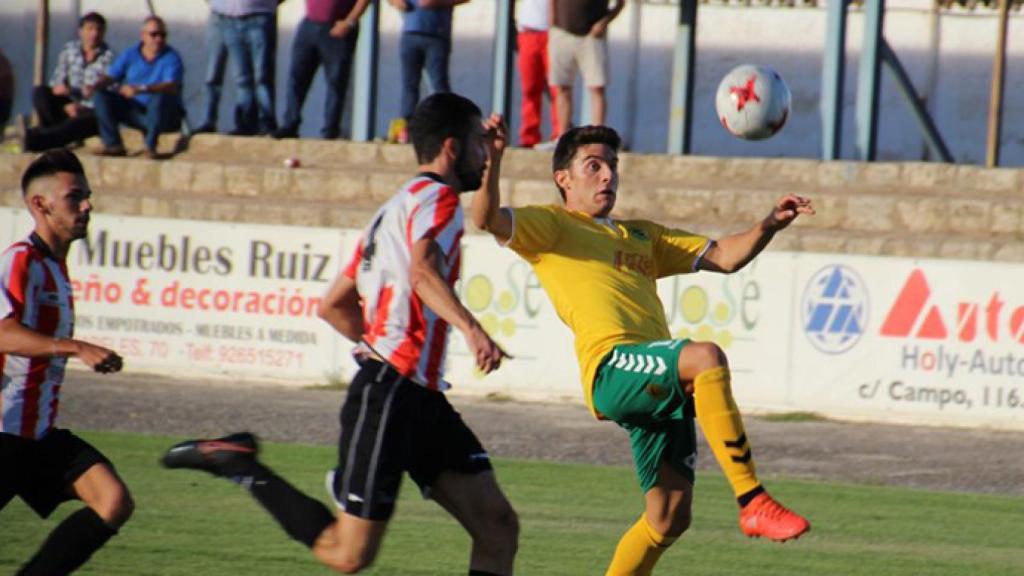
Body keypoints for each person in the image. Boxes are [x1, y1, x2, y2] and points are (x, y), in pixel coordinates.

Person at [162, 93, 519, 576]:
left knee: (497, 526)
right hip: (392, 394)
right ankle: (236, 463)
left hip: (417, 395)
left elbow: (334, 305)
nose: (485, 150)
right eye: (480, 143)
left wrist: (494, 160)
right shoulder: (438, 199)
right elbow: (422, 272)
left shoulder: (393, 209)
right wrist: (472, 330)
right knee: (348, 554)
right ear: (452, 149)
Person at [470, 124, 812, 575]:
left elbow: (725, 257)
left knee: (669, 518)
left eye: (613, 165)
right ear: (564, 179)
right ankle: (752, 500)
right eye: (593, 166)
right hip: (612, 368)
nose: (607, 176)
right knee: (704, 357)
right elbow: (486, 219)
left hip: (652, 381)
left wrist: (769, 223)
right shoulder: (552, 227)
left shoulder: (642, 236)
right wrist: (493, 161)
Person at [0, 149, 131, 575]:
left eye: (88, 196)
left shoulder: (55, 267)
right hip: (2, 430)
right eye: (75, 197)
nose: (87, 205)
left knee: (112, 500)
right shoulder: (20, 259)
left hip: (34, 434)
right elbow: (2, 332)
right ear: (40, 205)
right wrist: (75, 347)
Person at [272, 0, 371, 139]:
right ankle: (290, 124)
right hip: (310, 23)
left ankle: (330, 131)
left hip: (337, 26)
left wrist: (349, 22)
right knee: (297, 77)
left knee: (335, 82)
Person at [89, 16, 184, 159]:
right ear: (143, 36)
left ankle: (150, 146)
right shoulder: (130, 54)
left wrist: (142, 88)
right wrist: (95, 85)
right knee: (101, 96)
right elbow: (112, 76)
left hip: (164, 115)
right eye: (154, 34)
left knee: (159, 98)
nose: (158, 39)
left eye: (162, 35)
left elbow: (172, 86)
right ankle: (113, 144)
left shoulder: (172, 57)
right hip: (136, 111)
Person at [21, 12, 115, 152]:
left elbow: (111, 93)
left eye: (99, 30)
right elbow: (57, 81)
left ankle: (38, 140)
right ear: (81, 31)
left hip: (91, 111)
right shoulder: (70, 50)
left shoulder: (110, 57)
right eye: (90, 29)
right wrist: (67, 103)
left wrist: (83, 108)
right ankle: (49, 137)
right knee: (40, 92)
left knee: (79, 123)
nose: (94, 34)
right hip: (68, 103)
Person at [197, 0, 281, 136]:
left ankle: (265, 123)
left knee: (262, 76)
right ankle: (242, 123)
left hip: (259, 15)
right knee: (240, 77)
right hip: (225, 16)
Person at [548, 0, 624, 135]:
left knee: (597, 87)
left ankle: (597, 136)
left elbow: (620, 3)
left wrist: (604, 22)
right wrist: (552, 20)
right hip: (562, 32)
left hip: (592, 36)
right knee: (562, 87)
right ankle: (562, 136)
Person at [389, 0, 468, 124]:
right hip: (410, 34)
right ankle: (406, 124)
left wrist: (437, 2)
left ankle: (445, 122)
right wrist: (395, 2)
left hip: (437, 35)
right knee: (409, 84)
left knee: (438, 83)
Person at [515, 0, 559, 148]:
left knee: (556, 87)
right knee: (530, 88)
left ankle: (558, 134)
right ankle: (529, 136)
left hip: (552, 33)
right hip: (528, 32)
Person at [193, 5, 229, 134]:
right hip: (219, 14)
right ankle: (207, 120)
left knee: (245, 77)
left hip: (251, 14)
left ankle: (246, 123)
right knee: (212, 75)